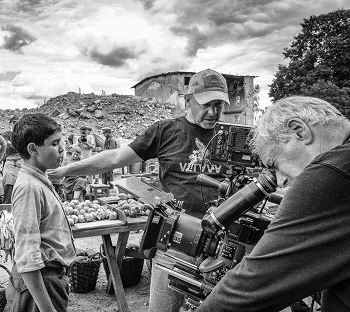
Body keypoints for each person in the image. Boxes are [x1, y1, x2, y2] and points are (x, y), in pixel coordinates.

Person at [48, 68, 230, 312]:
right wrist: (66, 171)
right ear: (188, 100)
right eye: (206, 104)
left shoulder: (231, 137)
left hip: (220, 246)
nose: (213, 112)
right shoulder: (165, 131)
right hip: (175, 243)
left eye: (219, 105)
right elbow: (114, 158)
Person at [195, 96, 350, 312]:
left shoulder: (330, 172)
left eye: (275, 164)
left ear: (299, 131)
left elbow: (248, 288)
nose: (280, 181)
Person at [8, 113, 76, 312]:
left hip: (49, 279)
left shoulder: (39, 179)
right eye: (54, 144)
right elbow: (27, 256)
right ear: (32, 149)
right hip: (41, 283)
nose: (62, 148)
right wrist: (47, 309)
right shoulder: (29, 188)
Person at [1, 116, 22, 204]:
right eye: (13, 122)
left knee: (22, 182)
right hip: (10, 161)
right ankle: (7, 204)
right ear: (11, 123)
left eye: (17, 122)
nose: (15, 124)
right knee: (8, 180)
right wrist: (20, 147)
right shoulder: (7, 134)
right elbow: (8, 145)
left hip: (21, 161)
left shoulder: (23, 135)